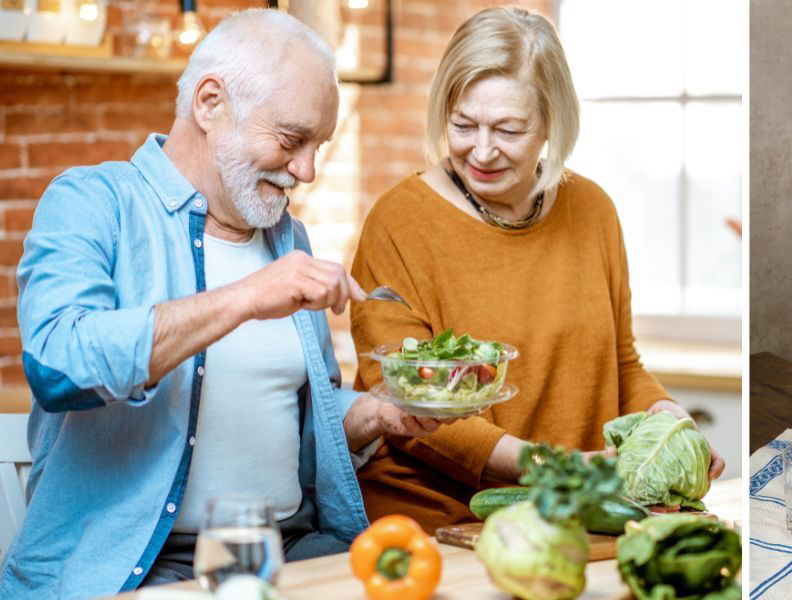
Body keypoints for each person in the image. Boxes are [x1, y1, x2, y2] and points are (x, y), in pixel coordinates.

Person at [0, 10, 446, 598]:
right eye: (291, 140)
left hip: (294, 552)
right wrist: (244, 298)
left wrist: (376, 414)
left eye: (319, 146)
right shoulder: (92, 202)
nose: (306, 170)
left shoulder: (289, 240)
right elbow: (59, 367)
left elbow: (281, 416)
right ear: (210, 103)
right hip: (136, 569)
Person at [349, 6, 725, 531]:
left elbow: (622, 364)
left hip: (575, 513)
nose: (481, 150)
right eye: (463, 124)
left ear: (552, 121)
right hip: (440, 522)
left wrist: (671, 425)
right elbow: (404, 404)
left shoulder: (592, 209)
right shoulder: (399, 221)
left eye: (508, 128)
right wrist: (553, 467)